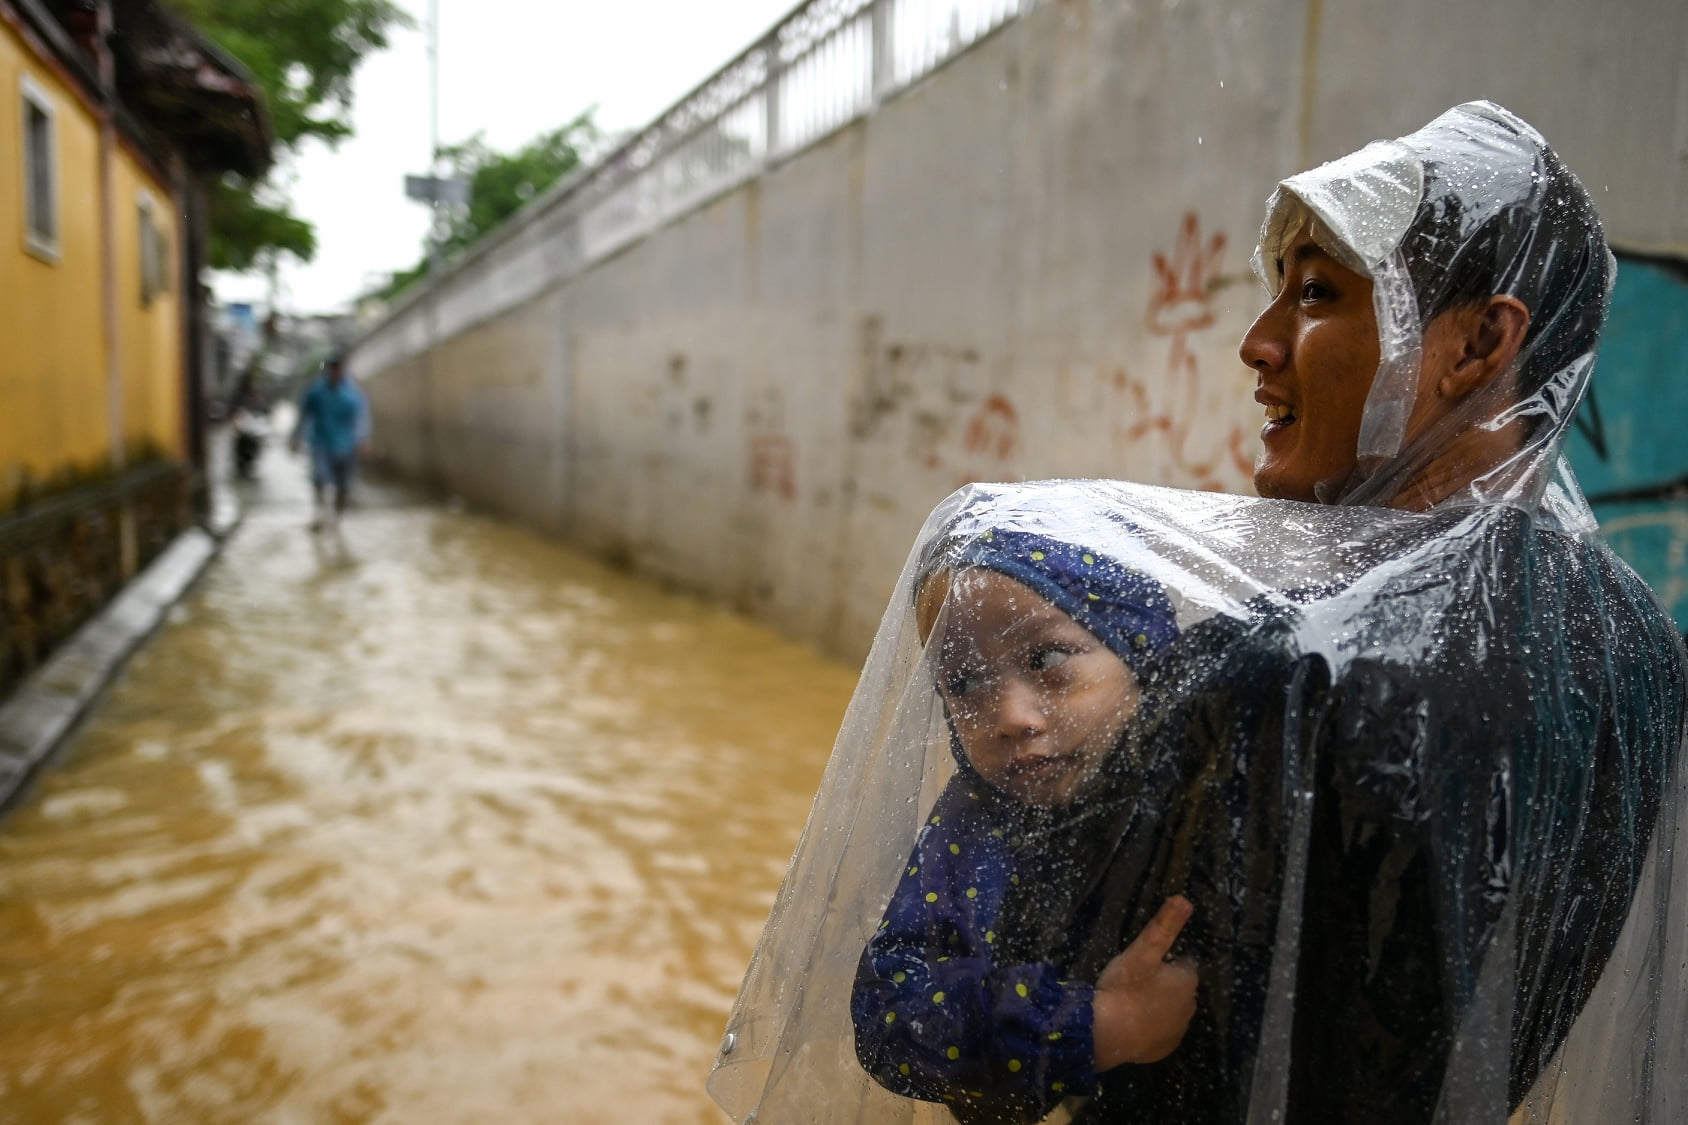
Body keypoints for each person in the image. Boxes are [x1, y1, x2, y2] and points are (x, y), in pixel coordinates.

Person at [708, 103, 1686, 1125]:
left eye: (1317, 292)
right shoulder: (1639, 645)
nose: (1256, 343)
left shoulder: (1289, 666)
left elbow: (1018, 1020)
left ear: (1478, 342)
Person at [850, 527, 1197, 1122]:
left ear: (1142, 650)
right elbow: (888, 1007)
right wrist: (1099, 1027)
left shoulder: (1211, 791)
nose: (1010, 717)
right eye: (964, 683)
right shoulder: (980, 820)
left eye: (1049, 659)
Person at [290, 352, 370, 529]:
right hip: (321, 443)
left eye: (338, 368)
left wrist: (362, 439)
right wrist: (296, 436)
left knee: (344, 485)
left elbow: (361, 417)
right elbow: (304, 414)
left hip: (347, 445)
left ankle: (337, 519)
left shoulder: (353, 393)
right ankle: (319, 514)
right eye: (332, 368)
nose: (335, 371)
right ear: (328, 369)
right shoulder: (316, 392)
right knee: (320, 479)